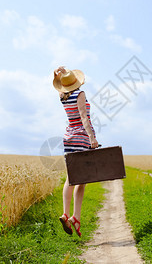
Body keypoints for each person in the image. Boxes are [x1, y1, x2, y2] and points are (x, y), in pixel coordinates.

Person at [53, 66, 99, 237]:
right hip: (81, 137)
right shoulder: (80, 94)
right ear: (77, 82)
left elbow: (59, 88)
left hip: (68, 138)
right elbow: (83, 117)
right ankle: (74, 216)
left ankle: (68, 214)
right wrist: (92, 138)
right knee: (81, 181)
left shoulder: (63, 97)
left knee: (71, 177)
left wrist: (57, 76)